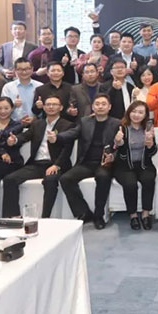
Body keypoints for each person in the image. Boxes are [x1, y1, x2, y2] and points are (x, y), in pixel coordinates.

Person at [1, 96, 74, 218]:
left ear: (61, 107)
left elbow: (67, 149)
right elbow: (25, 136)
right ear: (43, 107)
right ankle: (13, 217)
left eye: (54, 104)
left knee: (50, 181)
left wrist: (56, 165)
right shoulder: (37, 124)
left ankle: (45, 217)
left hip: (56, 164)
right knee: (9, 179)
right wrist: (15, 140)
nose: (51, 107)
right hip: (37, 164)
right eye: (48, 104)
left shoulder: (68, 125)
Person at [56, 94, 120, 229]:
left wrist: (113, 156)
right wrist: (57, 137)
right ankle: (84, 212)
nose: (100, 107)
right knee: (65, 179)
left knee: (103, 177)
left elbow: (121, 146)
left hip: (105, 163)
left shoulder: (116, 123)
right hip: (86, 162)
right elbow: (72, 133)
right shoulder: (85, 122)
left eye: (103, 104)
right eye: (97, 104)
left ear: (109, 107)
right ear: (93, 107)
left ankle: (99, 215)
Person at [112, 101, 157, 231]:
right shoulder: (122, 128)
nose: (137, 115)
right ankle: (133, 215)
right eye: (134, 111)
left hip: (144, 164)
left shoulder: (148, 128)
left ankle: (145, 213)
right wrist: (119, 142)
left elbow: (153, 152)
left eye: (140, 112)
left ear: (145, 115)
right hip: (124, 166)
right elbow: (118, 152)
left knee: (149, 180)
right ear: (129, 112)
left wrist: (150, 144)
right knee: (130, 184)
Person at [1, 57, 42, 126]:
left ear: (32, 69)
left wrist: (35, 118)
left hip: (36, 125)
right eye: (20, 69)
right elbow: (2, 108)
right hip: (13, 126)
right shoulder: (8, 87)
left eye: (27, 69)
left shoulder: (40, 86)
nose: (24, 72)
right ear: (15, 70)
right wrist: (13, 105)